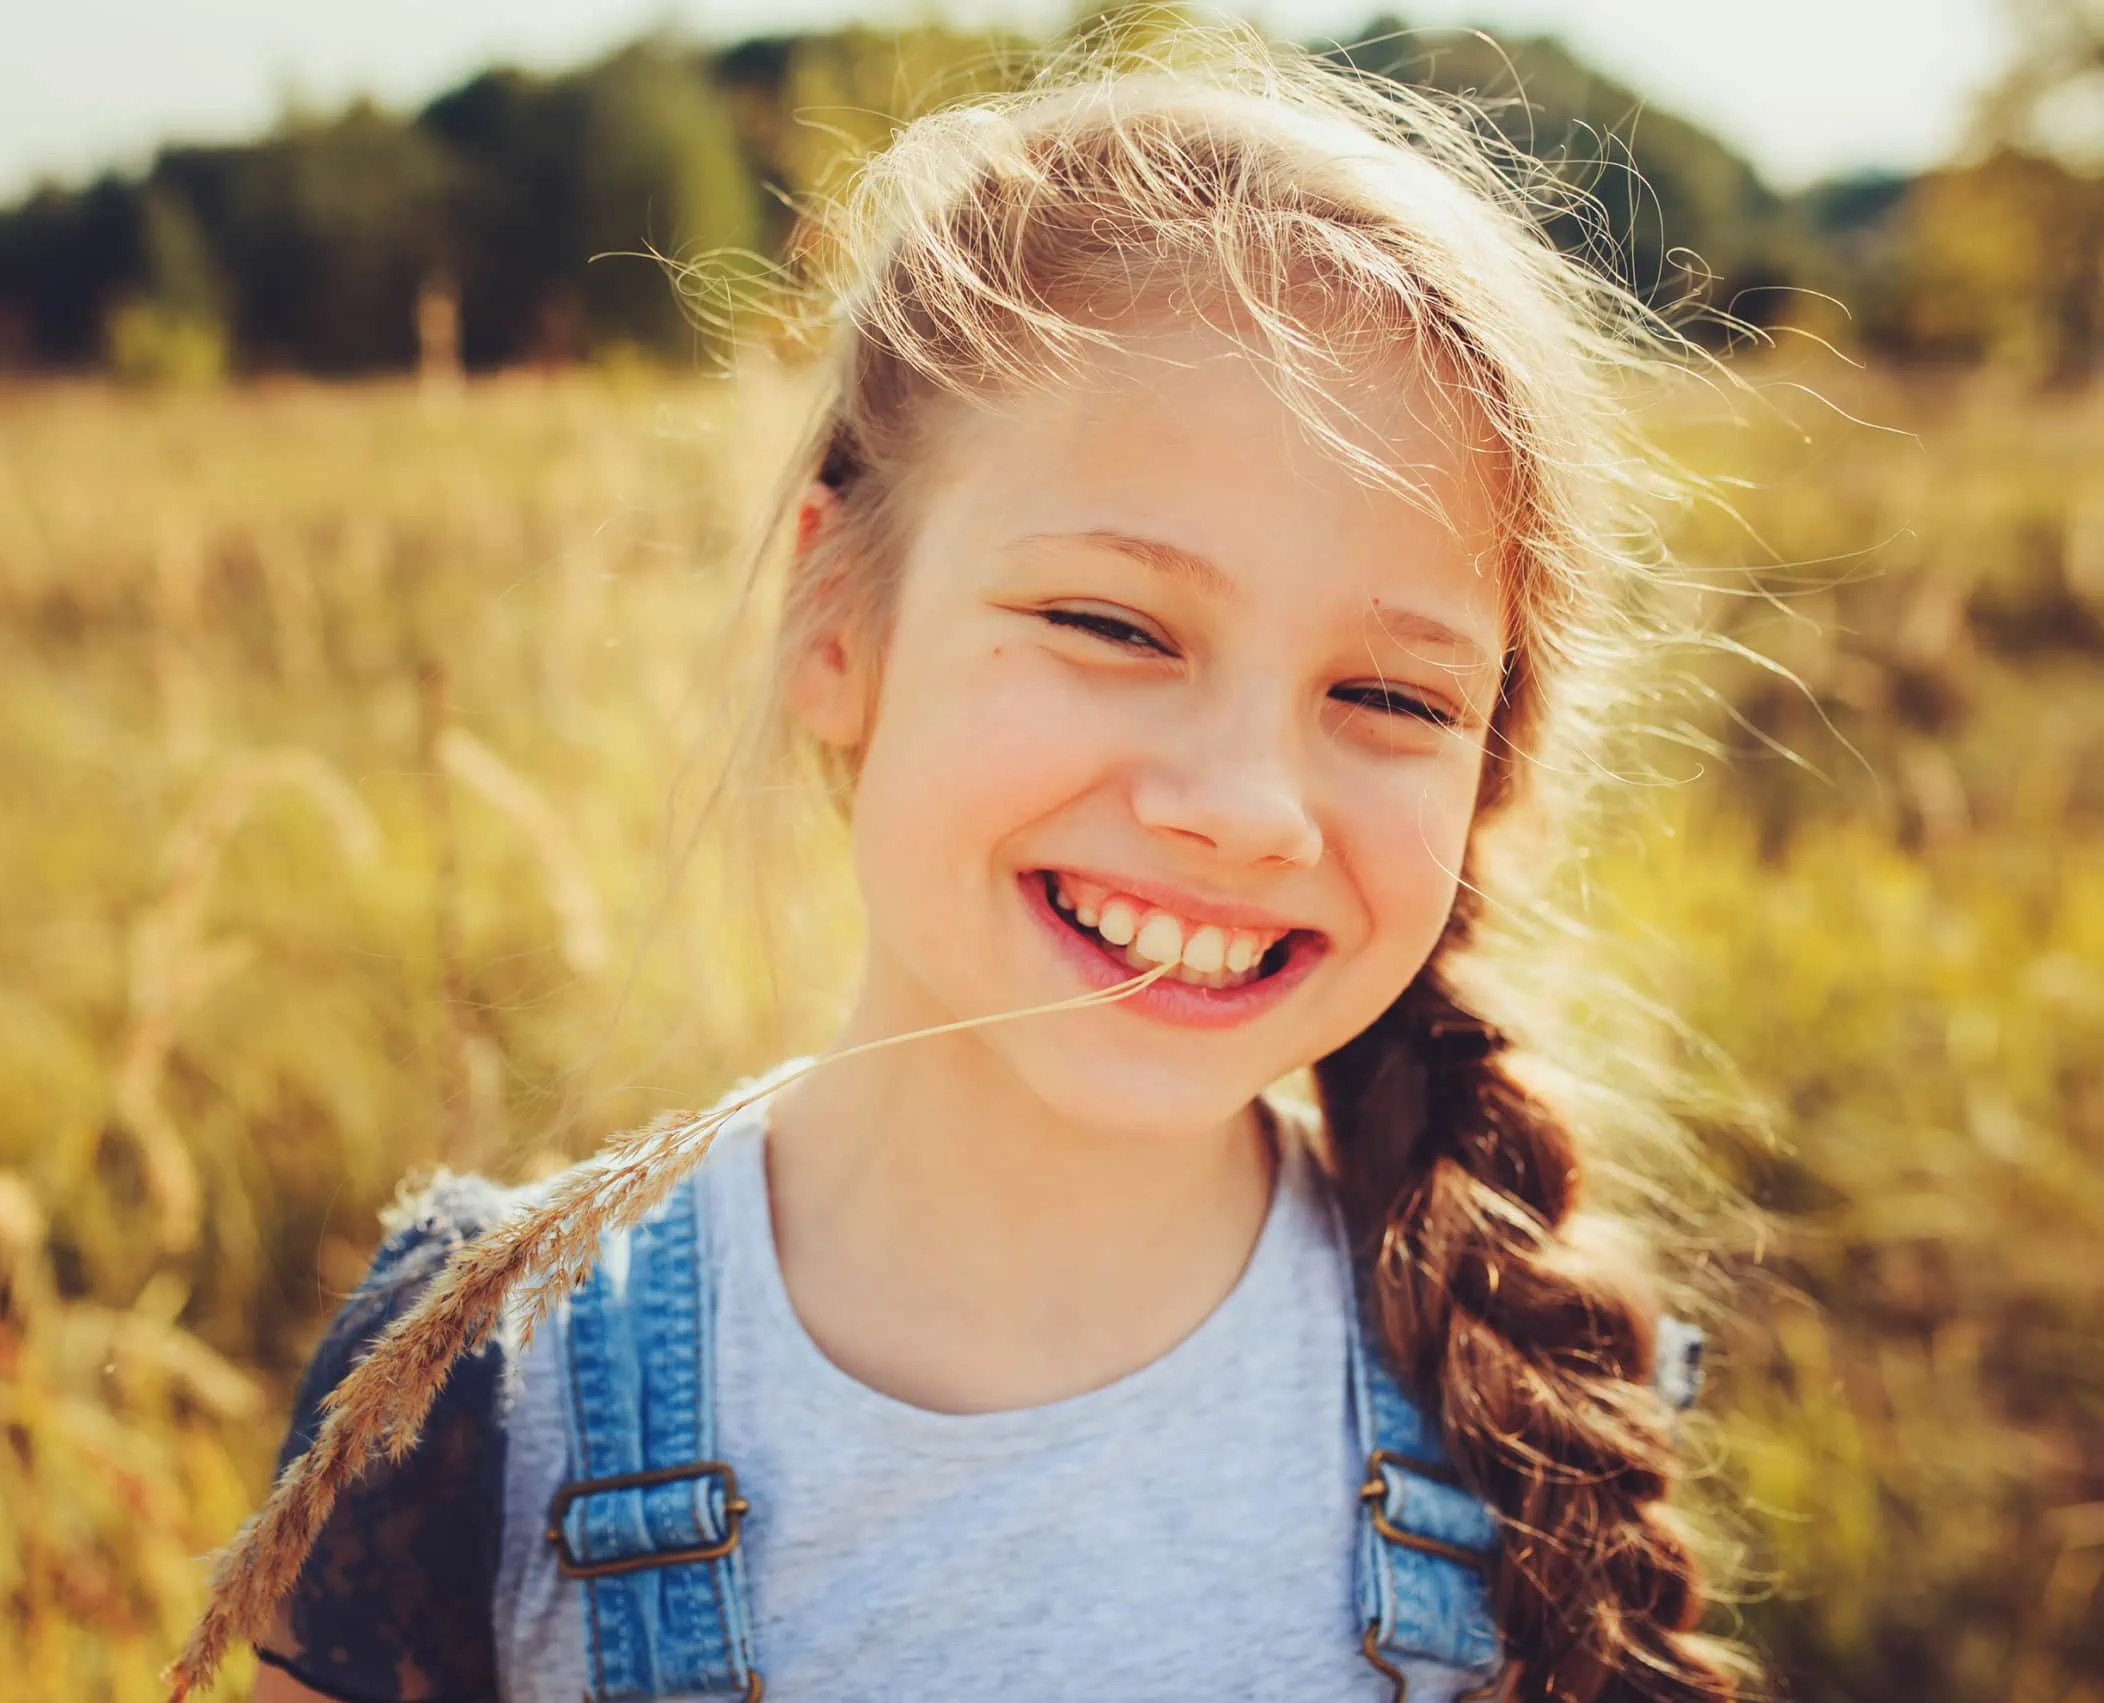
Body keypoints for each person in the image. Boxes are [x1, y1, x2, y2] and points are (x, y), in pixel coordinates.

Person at [168, 28, 1748, 1703]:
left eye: (1389, 694)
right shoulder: (483, 1390)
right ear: (836, 618)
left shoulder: (1524, 1392)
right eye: (1111, 623)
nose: (1245, 804)